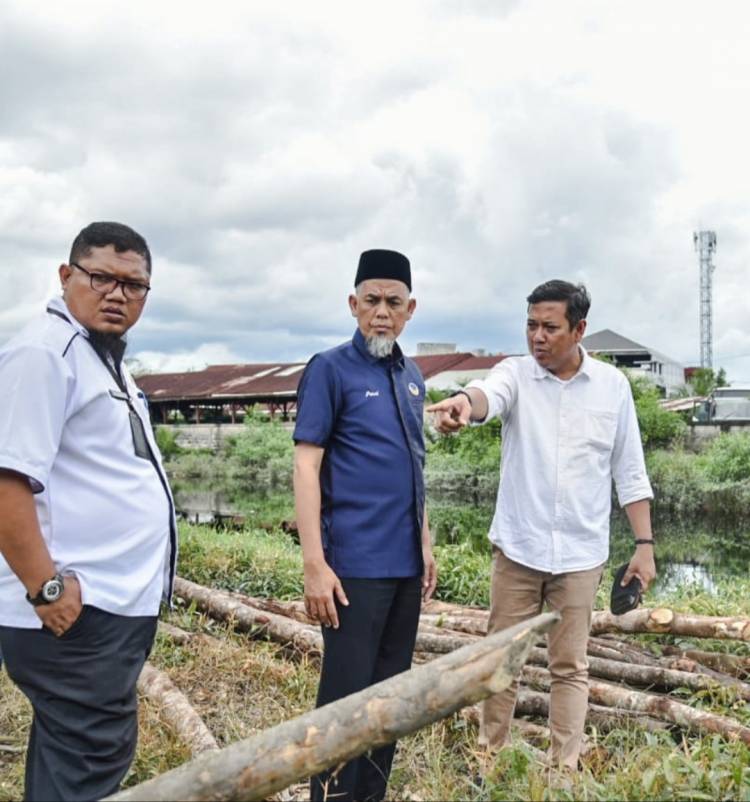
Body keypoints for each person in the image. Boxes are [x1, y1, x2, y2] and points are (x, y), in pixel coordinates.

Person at [427, 280, 656, 771]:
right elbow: (486, 395)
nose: (537, 336)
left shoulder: (613, 388)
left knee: (570, 667)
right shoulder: (516, 374)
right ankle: (488, 760)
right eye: (531, 325)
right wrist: (463, 405)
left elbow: (630, 472)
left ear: (579, 330)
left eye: (550, 327)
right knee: (501, 661)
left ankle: (563, 771)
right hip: (518, 549)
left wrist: (644, 545)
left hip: (580, 557)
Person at [0, 222, 178, 801]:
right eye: (101, 277)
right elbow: (6, 481)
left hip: (104, 606)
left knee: (71, 757)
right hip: (74, 610)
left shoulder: (101, 359)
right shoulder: (44, 352)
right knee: (90, 758)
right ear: (65, 276)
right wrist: (46, 589)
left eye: (134, 285)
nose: (117, 294)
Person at [293, 249, 437, 802]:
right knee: (345, 701)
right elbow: (307, 465)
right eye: (371, 300)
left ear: (410, 309)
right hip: (353, 569)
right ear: (353, 304)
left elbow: (414, 465)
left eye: (393, 302)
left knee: (391, 700)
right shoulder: (330, 369)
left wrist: (424, 542)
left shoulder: (412, 376)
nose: (382, 312)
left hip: (404, 569)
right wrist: (315, 564)